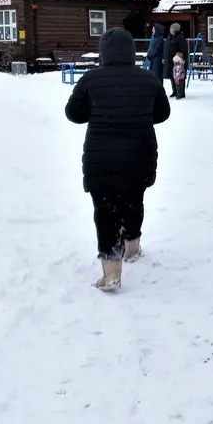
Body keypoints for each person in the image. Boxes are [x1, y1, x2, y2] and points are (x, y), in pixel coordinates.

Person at [65, 28, 170, 290]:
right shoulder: (148, 79)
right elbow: (163, 113)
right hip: (140, 154)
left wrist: (99, 112)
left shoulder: (90, 80)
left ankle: (111, 273)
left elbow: (73, 113)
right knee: (134, 199)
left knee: (105, 210)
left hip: (101, 158)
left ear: (103, 52)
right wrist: (139, 115)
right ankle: (132, 247)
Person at [166, 24, 189, 99]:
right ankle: (175, 91)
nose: (170, 30)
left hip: (179, 62)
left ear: (175, 29)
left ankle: (180, 93)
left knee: (179, 77)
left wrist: (179, 57)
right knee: (173, 76)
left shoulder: (181, 38)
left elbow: (184, 51)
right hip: (172, 61)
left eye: (171, 28)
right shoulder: (171, 38)